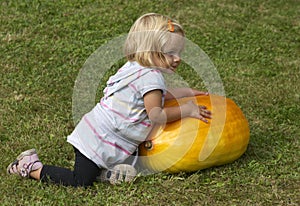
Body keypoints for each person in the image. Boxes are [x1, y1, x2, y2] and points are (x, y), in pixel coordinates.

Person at [7, 13, 212, 187]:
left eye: (179, 52)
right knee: (81, 181)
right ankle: (31, 166)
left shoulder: (136, 67)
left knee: (141, 161)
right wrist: (188, 110)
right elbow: (157, 115)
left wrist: (189, 92)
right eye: (170, 53)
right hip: (97, 140)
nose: (178, 58)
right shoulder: (151, 77)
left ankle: (104, 171)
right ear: (149, 50)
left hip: (108, 135)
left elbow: (160, 95)